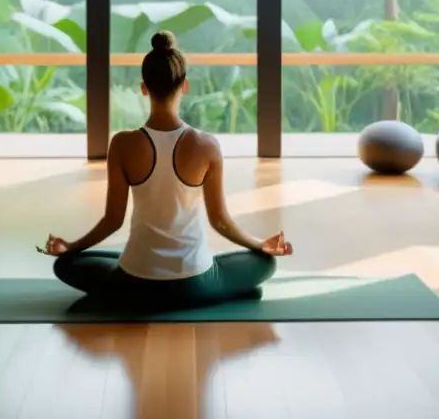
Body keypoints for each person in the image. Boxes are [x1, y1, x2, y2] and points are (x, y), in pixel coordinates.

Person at [40, 31, 293, 310]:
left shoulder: (122, 144)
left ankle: (124, 293)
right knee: (264, 263)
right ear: (184, 86)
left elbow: (112, 220)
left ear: (144, 88)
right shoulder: (206, 145)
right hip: (195, 282)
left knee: (67, 264)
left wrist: (71, 246)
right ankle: (214, 292)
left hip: (135, 281)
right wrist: (260, 245)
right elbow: (220, 220)